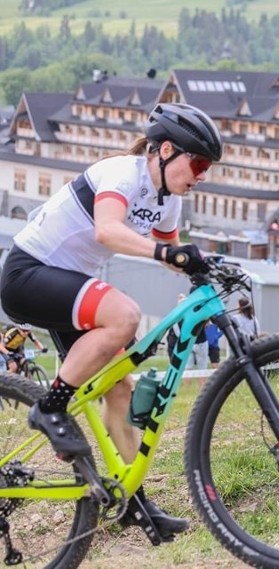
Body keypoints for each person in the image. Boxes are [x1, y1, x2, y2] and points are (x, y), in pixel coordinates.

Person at [0, 102, 222, 540]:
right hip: (29, 273)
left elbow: (172, 253)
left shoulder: (167, 201)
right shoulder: (124, 172)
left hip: (68, 285)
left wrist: (205, 267)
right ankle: (50, 408)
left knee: (119, 387)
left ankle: (133, 501)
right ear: (164, 151)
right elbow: (108, 230)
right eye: (196, 163)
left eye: (206, 168)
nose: (200, 175)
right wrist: (165, 253)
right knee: (124, 315)